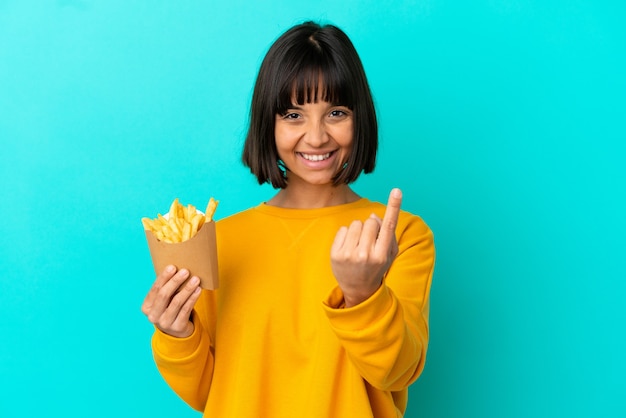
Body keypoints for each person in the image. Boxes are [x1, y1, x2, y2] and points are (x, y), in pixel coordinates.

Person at [142, 21, 435, 417]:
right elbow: (211, 391)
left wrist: (363, 295)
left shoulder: (400, 236)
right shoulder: (217, 241)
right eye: (293, 115)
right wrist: (177, 333)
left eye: (335, 112)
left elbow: (398, 371)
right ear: (269, 124)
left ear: (359, 118)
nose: (316, 137)